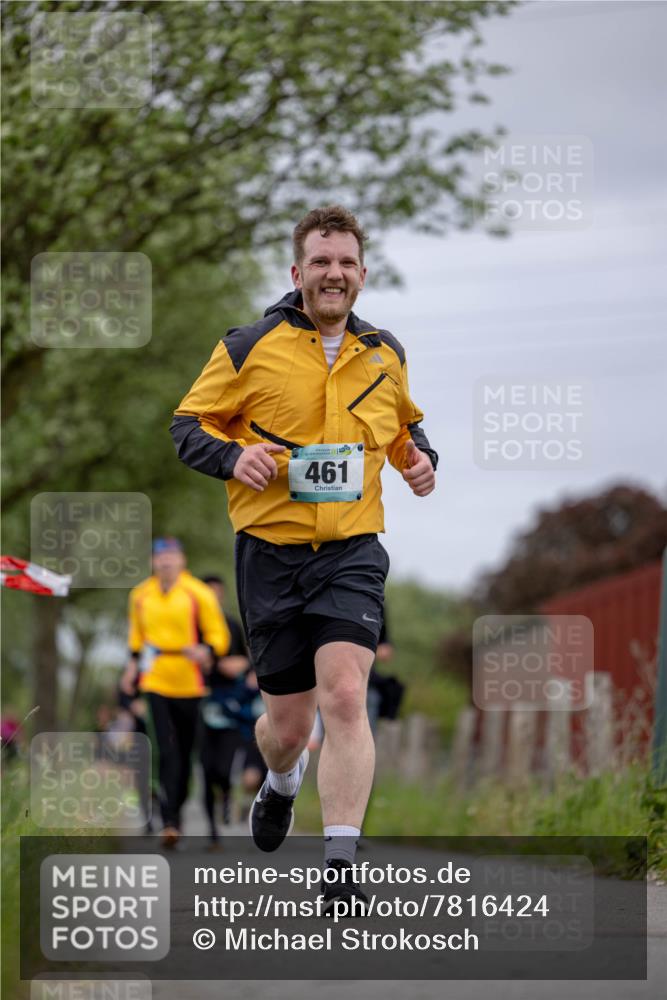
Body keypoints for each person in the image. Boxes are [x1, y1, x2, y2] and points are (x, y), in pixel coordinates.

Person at [170, 205, 437, 911]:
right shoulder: (247, 346)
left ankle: (340, 864)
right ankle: (281, 781)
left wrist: (420, 461)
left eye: (345, 262)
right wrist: (233, 457)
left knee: (345, 695)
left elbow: (404, 429)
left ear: (362, 274)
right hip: (270, 556)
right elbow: (186, 426)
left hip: (351, 551)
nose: (333, 273)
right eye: (321, 261)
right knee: (286, 730)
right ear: (298, 271)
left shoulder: (384, 352)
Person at [121, 537, 230, 848]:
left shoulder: (198, 592)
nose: (166, 561)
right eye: (160, 556)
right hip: (155, 678)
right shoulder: (140, 594)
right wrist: (131, 667)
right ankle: (168, 821)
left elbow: (219, 635)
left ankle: (177, 810)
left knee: (185, 752)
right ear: (153, 561)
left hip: (191, 682)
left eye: (171, 556)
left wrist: (206, 650)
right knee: (165, 750)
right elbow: (136, 637)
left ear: (182, 560)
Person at [199, 574, 266, 841]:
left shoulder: (231, 625)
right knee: (206, 769)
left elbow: (245, 659)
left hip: (228, 708)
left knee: (224, 768)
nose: (213, 599)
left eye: (217, 593)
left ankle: (226, 795)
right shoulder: (189, 626)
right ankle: (211, 830)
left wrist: (242, 666)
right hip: (197, 703)